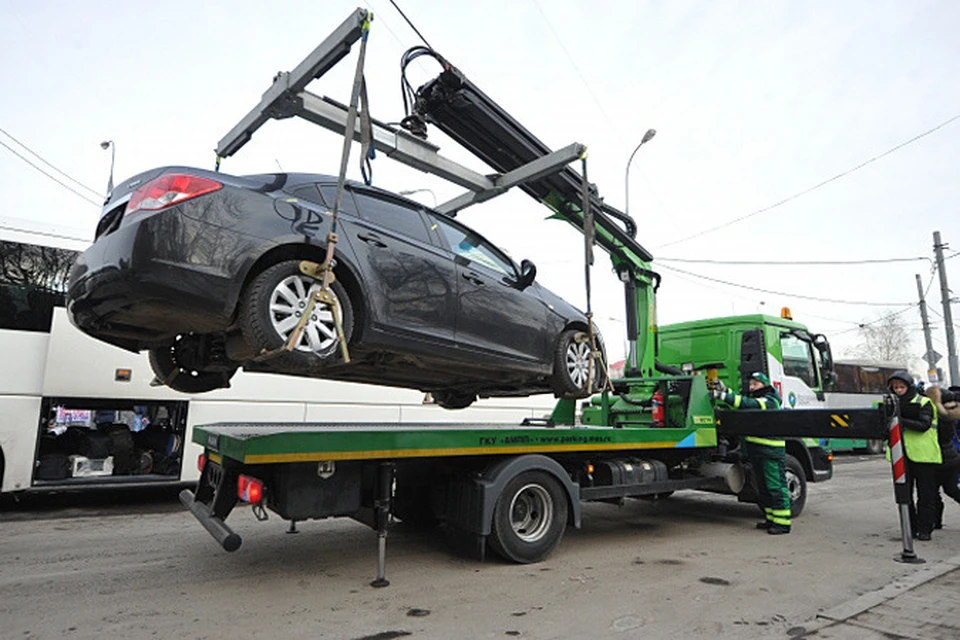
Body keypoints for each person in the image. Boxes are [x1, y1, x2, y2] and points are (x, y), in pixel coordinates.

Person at [712, 371, 791, 535]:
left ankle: (783, 523)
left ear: (765, 385)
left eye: (756, 384)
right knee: (763, 487)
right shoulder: (756, 398)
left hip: (770, 452)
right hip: (758, 450)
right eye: (751, 383)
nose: (752, 386)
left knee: (775, 486)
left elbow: (747, 404)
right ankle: (771, 519)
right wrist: (725, 390)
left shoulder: (770, 400)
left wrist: (720, 395)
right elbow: (742, 400)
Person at [887, 370, 940, 541]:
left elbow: (924, 424)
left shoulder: (923, 402)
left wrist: (900, 421)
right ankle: (910, 528)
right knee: (904, 495)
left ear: (909, 387)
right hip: (900, 456)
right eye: (895, 387)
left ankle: (925, 529)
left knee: (926, 495)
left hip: (925, 456)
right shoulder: (890, 404)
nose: (898, 390)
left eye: (901, 387)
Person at [928, 385, 960, 529]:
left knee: (933, 492)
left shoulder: (935, 416)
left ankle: (936, 521)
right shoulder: (951, 414)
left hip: (937, 458)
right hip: (952, 457)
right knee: (951, 489)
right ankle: (936, 521)